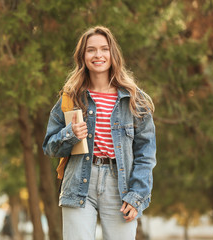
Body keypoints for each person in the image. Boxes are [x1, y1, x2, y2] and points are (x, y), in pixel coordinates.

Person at [42, 26, 156, 240]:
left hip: (120, 186)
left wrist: (137, 194)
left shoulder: (135, 100)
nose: (98, 55)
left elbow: (146, 154)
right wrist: (70, 134)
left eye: (104, 49)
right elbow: (49, 146)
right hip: (78, 183)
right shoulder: (71, 97)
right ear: (83, 57)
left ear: (113, 54)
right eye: (91, 50)